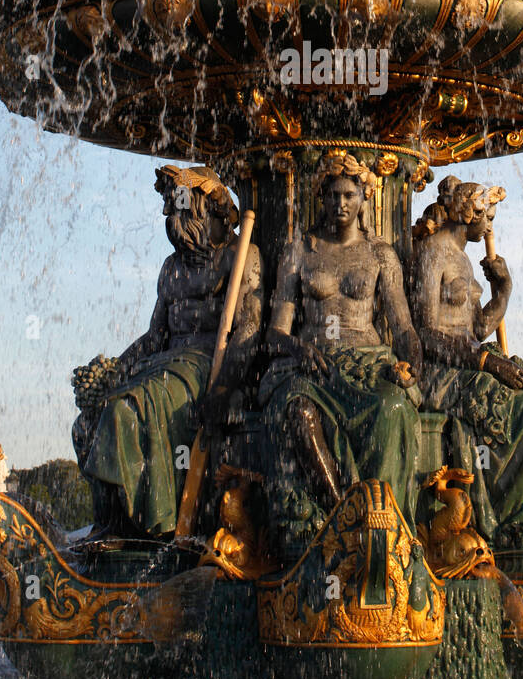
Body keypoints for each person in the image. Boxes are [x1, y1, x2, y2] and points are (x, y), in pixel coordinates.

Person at [73, 166, 262, 539]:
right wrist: (114, 367)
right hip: (164, 362)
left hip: (205, 364)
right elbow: (154, 335)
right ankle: (114, 522)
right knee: (92, 416)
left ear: (210, 212)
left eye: (184, 212)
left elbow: (250, 329)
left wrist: (224, 388)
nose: (174, 223)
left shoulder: (239, 256)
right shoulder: (172, 267)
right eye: (171, 214)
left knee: (129, 407)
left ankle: (150, 524)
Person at [260, 149, 422, 557]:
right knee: (298, 413)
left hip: (367, 362)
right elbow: (275, 332)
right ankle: (343, 521)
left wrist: (413, 364)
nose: (341, 204)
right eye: (332, 195)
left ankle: (388, 527)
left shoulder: (380, 254)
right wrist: (297, 348)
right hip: (312, 365)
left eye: (349, 195)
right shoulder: (300, 251)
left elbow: (402, 326)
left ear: (364, 197)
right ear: (322, 198)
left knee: (393, 410)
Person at [410, 176, 523, 550]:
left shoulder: (463, 260)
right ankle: (517, 516)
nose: (490, 224)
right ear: (467, 212)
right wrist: (487, 362)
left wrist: (504, 291)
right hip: (441, 371)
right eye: (487, 214)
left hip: (472, 363)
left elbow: (478, 327)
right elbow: (424, 332)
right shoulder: (434, 252)